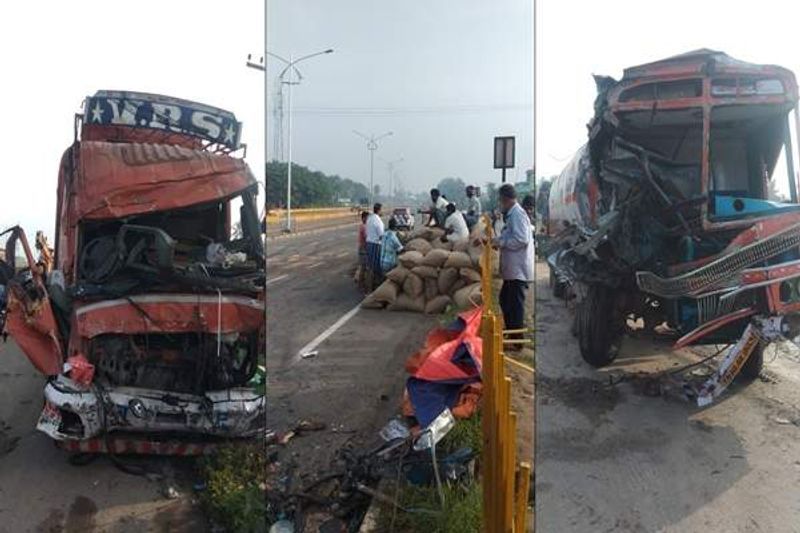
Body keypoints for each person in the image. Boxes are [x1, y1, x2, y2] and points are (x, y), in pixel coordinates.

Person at [491, 184, 534, 348]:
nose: (500, 204)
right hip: (513, 269)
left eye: (501, 200)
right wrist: (498, 241)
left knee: (514, 304)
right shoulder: (512, 214)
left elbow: (521, 239)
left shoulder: (517, 214)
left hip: (518, 269)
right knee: (505, 300)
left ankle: (517, 341)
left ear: (505, 199)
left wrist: (502, 243)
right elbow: (509, 235)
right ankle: (512, 331)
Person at [365, 203, 385, 290]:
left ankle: (369, 286)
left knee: (370, 266)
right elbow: (381, 235)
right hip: (375, 244)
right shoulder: (378, 221)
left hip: (369, 243)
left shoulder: (370, 219)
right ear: (379, 210)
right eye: (382, 209)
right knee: (376, 267)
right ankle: (374, 286)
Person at [356, 211, 369, 290]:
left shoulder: (364, 226)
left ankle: (362, 283)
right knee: (363, 267)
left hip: (363, 247)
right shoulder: (363, 226)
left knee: (364, 267)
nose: (368, 219)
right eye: (367, 218)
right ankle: (361, 285)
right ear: (364, 218)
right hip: (363, 248)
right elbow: (367, 237)